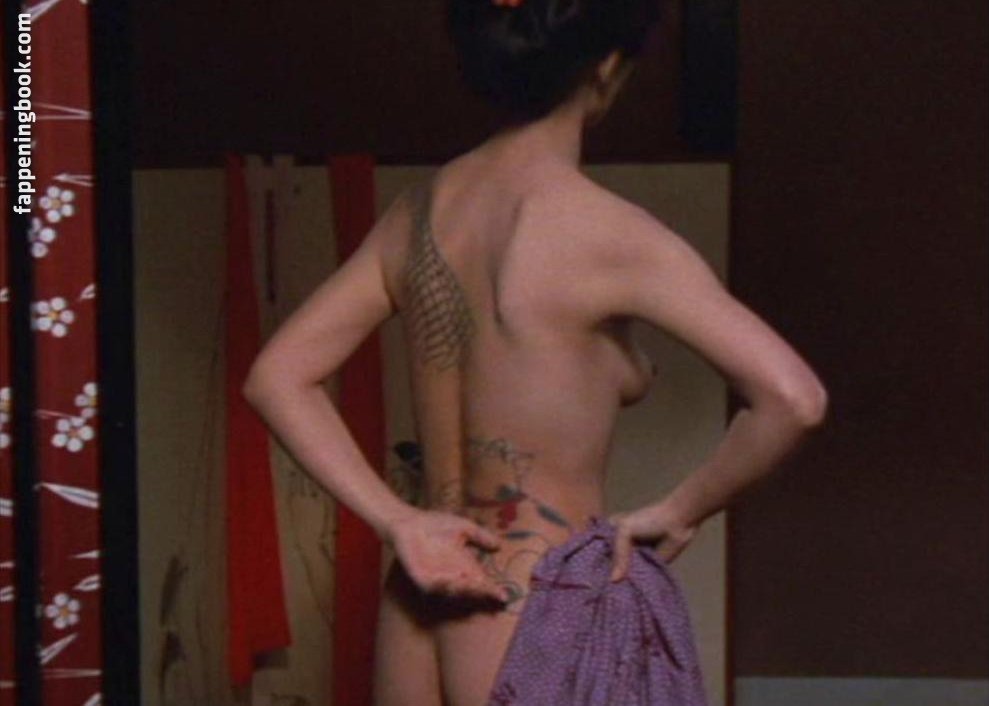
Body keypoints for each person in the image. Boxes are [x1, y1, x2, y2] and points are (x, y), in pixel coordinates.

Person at [242, 0, 829, 703]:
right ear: (606, 67)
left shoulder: (417, 214)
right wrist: (681, 509)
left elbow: (277, 376)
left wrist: (398, 522)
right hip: (533, 596)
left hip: (420, 590)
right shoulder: (606, 232)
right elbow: (793, 399)